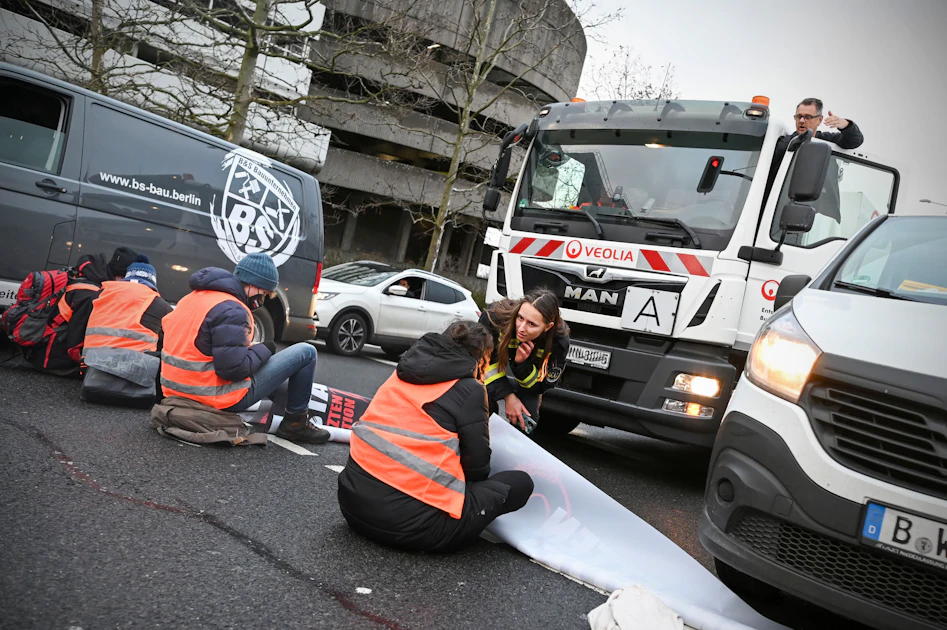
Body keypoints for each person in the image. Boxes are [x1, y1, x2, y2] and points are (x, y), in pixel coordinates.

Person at [338, 320, 534, 552]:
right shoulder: (470, 388)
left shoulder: (402, 372)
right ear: (481, 359)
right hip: (414, 527)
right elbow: (478, 470)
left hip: (352, 505)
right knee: (520, 483)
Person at [158, 252, 329, 443]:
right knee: (306, 352)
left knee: (263, 363)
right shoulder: (233, 309)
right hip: (213, 396)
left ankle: (294, 409)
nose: (262, 301)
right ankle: (295, 424)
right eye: (264, 294)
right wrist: (265, 349)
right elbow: (234, 370)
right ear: (254, 284)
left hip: (175, 391)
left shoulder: (191, 299)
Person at [80, 255, 172, 406]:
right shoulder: (160, 304)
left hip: (91, 368)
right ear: (152, 281)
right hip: (133, 375)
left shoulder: (101, 293)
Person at [479, 288, 570, 431]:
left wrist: (521, 365)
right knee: (482, 407)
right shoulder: (495, 318)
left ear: (548, 327)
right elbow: (481, 364)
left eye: (532, 324)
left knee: (525, 420)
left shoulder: (558, 342)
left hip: (527, 383)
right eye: (520, 318)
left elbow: (541, 385)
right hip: (486, 375)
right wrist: (508, 396)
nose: (522, 328)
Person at [764, 98, 864, 205]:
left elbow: (855, 141)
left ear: (820, 120)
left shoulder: (827, 142)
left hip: (818, 208)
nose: (802, 121)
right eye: (799, 117)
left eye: (808, 117)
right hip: (781, 205)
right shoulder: (783, 144)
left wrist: (846, 125)